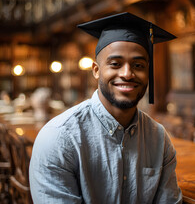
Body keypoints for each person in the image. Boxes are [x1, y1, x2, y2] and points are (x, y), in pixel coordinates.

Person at [29, 12, 182, 203]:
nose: (127, 74)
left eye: (138, 65)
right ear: (96, 70)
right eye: (115, 64)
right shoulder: (58, 139)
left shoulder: (158, 138)